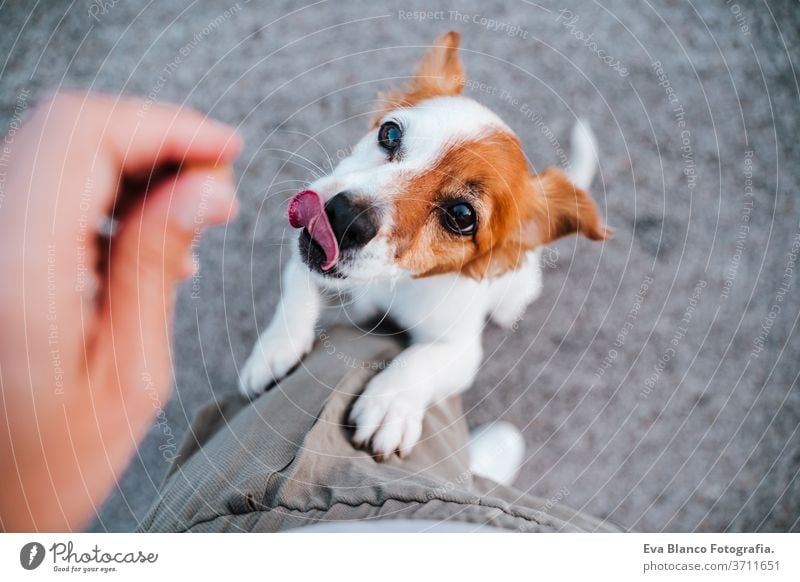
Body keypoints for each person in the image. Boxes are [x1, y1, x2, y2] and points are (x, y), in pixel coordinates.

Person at [0, 92, 618, 533]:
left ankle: (449, 480)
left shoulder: (494, 262)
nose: (359, 207)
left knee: (511, 296)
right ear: (380, 121)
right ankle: (455, 489)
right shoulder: (357, 221)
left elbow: (459, 351)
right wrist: (289, 322)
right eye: (392, 140)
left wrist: (409, 383)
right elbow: (307, 263)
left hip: (466, 294)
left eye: (458, 216)